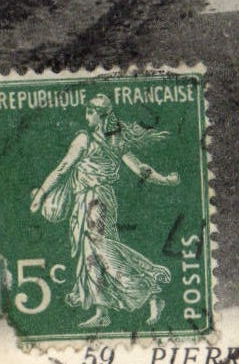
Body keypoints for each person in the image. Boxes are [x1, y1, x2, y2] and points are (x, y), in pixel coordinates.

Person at [29, 93, 178, 329]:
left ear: (101, 115)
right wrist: (166, 180)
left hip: (96, 200)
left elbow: (63, 168)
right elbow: (141, 170)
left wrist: (40, 194)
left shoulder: (85, 140)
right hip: (89, 200)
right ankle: (102, 311)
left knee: (101, 249)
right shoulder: (115, 142)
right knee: (91, 253)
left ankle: (150, 289)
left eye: (90, 112)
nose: (86, 116)